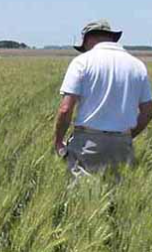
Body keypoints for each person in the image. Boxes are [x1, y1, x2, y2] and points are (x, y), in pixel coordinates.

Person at [54, 19, 152, 176]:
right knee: (119, 195)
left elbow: (65, 109)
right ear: (111, 37)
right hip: (123, 143)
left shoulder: (81, 62)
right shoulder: (137, 65)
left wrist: (58, 141)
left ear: (88, 39)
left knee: (81, 195)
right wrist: (128, 136)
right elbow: (147, 111)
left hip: (87, 142)